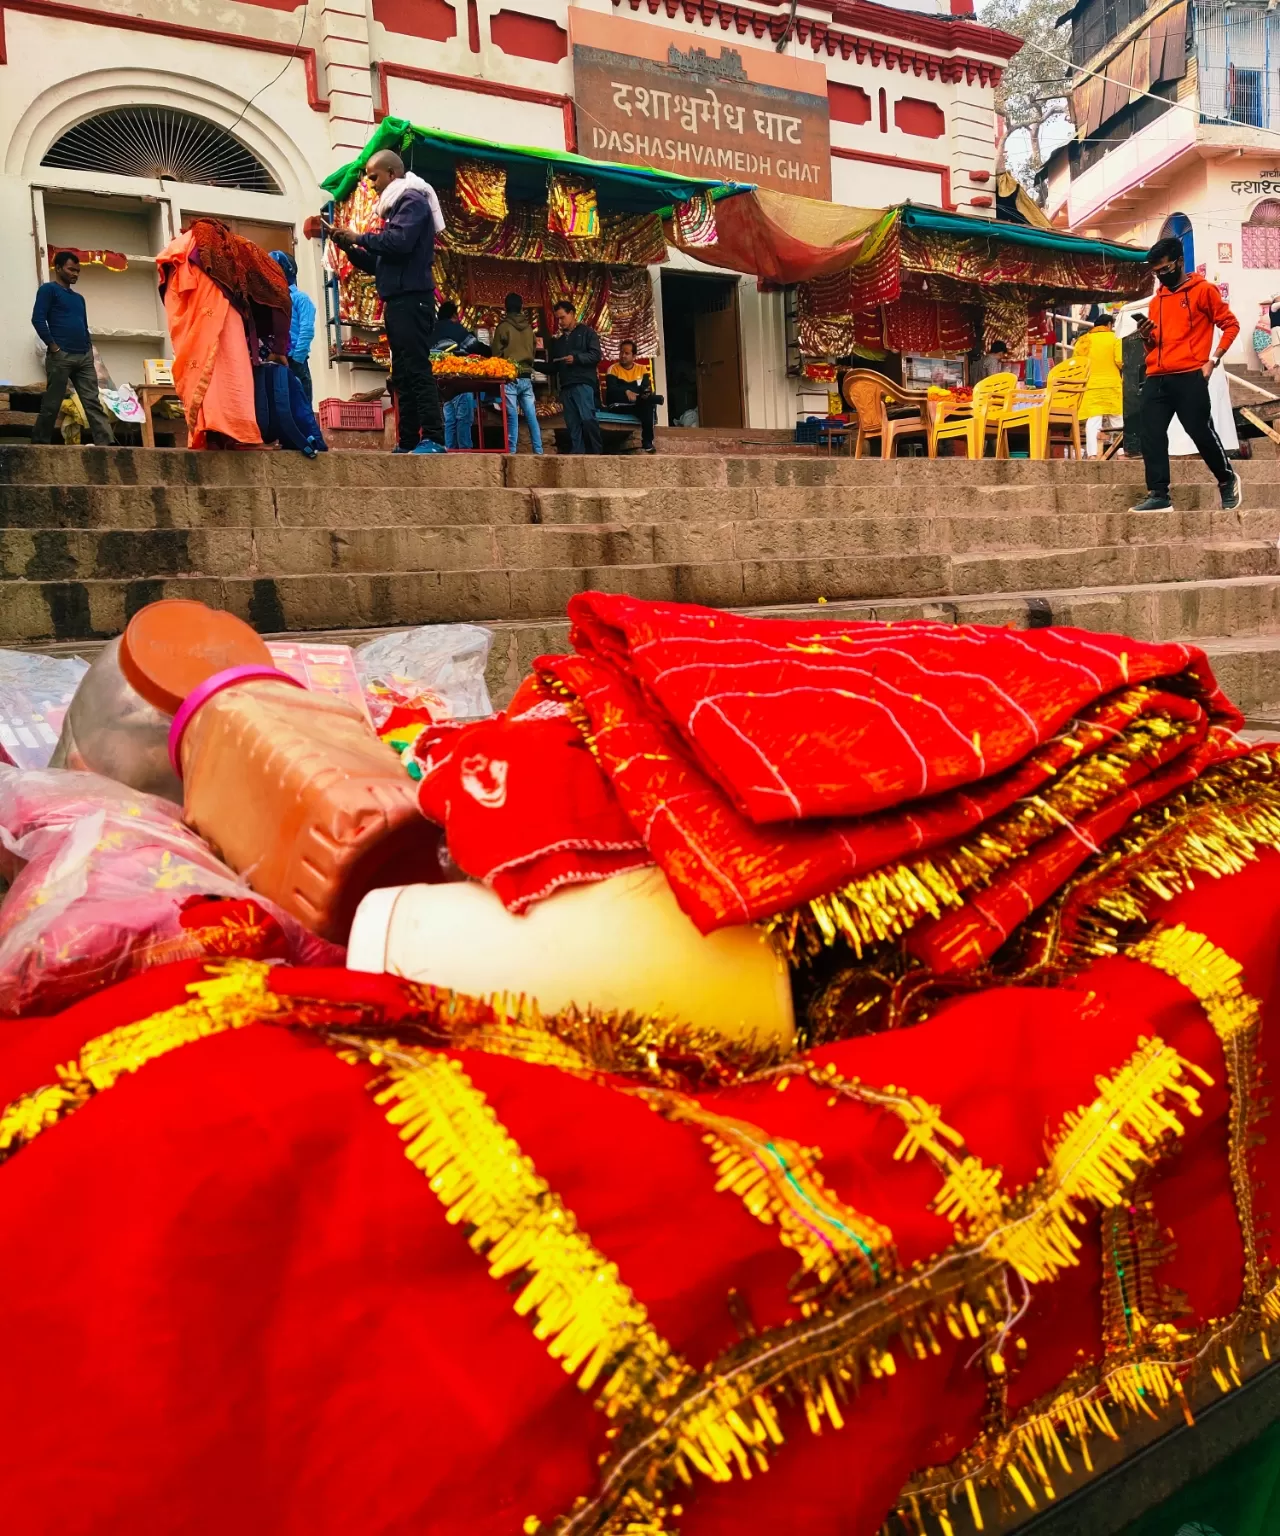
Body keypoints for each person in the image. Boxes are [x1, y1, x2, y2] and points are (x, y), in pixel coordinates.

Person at [325, 149, 447, 455]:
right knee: (402, 375)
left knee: (417, 369)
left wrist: (358, 237)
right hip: (398, 303)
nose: (371, 184)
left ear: (392, 174)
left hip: (412, 301)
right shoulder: (395, 209)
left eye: (374, 176)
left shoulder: (412, 200)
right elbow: (380, 263)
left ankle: (434, 438)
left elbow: (399, 242)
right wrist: (348, 247)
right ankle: (408, 442)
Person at [1131, 235, 1241, 513]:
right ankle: (1158, 494)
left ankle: (1227, 479)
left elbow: (1230, 325)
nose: (1161, 276)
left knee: (1200, 431)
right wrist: (1146, 337)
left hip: (1190, 374)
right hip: (1156, 375)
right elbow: (1155, 342)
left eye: (1165, 270)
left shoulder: (1204, 291)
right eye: (1155, 272)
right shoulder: (1157, 300)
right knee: (1151, 433)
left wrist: (1213, 360)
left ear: (1180, 262)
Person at [30, 251, 115, 447]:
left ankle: (107, 443)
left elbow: (83, 325)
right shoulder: (48, 290)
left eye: (78, 271)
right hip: (61, 356)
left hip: (84, 357)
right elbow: (37, 319)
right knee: (52, 403)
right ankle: (39, 444)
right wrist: (53, 346)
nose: (75, 274)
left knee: (93, 402)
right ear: (58, 268)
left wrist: (88, 347)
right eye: (71, 269)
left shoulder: (79, 299)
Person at [429, 300, 490, 450]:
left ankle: (450, 450)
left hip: (441, 383)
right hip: (460, 380)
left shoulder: (432, 331)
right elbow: (475, 346)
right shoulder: (456, 329)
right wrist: (490, 352)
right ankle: (464, 450)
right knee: (464, 417)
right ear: (454, 316)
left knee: (449, 419)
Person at [548, 299, 602, 454]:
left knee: (587, 418)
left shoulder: (587, 333)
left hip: (583, 383)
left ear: (572, 314)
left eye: (562, 317)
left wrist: (576, 358)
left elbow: (596, 355)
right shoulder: (558, 342)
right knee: (572, 424)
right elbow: (553, 367)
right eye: (558, 319)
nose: (560, 322)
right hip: (566, 386)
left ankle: (596, 452)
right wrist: (532, 365)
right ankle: (578, 452)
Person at [492, 291, 542, 454]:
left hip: (510, 377)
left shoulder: (503, 327)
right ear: (521, 308)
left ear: (505, 308)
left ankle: (511, 451)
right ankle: (539, 450)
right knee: (531, 415)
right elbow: (533, 351)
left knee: (512, 415)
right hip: (526, 377)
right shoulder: (529, 329)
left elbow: (496, 354)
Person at [1072, 311, 1123, 457]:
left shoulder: (1083, 340)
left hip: (1091, 386)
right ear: (1109, 325)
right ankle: (1122, 452)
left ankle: (1092, 454)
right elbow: (1120, 361)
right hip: (1111, 384)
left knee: (1093, 420)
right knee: (1117, 418)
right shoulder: (1115, 338)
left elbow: (1077, 365)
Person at [269, 250, 317, 404]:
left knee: (301, 405)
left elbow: (307, 330)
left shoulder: (300, 298)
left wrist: (297, 358)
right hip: (278, 359)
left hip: (296, 360)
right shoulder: (274, 300)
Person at [604, 340, 661, 453]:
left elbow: (645, 389)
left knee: (648, 404)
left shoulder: (642, 369)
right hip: (619, 405)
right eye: (621, 353)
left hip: (636, 404)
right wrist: (626, 391)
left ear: (634, 356)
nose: (623, 356)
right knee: (644, 401)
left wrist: (639, 395)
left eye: (626, 353)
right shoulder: (613, 369)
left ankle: (647, 442)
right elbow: (612, 391)